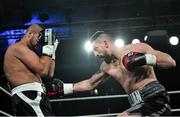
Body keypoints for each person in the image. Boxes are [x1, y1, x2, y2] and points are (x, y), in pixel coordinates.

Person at [54, 31, 176, 116]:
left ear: (106, 44)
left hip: (154, 98)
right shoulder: (106, 66)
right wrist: (65, 88)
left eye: (96, 49)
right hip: (136, 104)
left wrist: (143, 59)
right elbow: (90, 84)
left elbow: (170, 61)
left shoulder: (136, 48)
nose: (95, 55)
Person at [3, 24, 58, 116]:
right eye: (39, 37)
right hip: (29, 95)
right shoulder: (17, 48)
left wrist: (52, 50)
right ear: (30, 34)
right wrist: (48, 46)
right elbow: (43, 71)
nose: (40, 42)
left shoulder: (30, 53)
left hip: (33, 96)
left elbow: (49, 73)